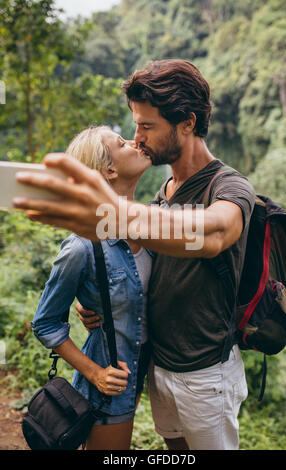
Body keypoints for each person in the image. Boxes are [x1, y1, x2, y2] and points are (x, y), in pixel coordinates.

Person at [14, 59, 256, 450]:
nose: (137, 136)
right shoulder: (164, 194)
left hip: (205, 375)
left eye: (146, 126)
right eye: (134, 126)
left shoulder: (228, 186)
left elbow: (214, 233)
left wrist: (115, 215)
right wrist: (100, 302)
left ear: (187, 123)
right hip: (157, 369)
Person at [31, 125, 152, 450]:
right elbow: (45, 322)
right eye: (122, 142)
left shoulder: (153, 226)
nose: (135, 140)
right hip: (110, 381)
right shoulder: (82, 246)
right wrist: (95, 373)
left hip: (151, 372)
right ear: (108, 170)